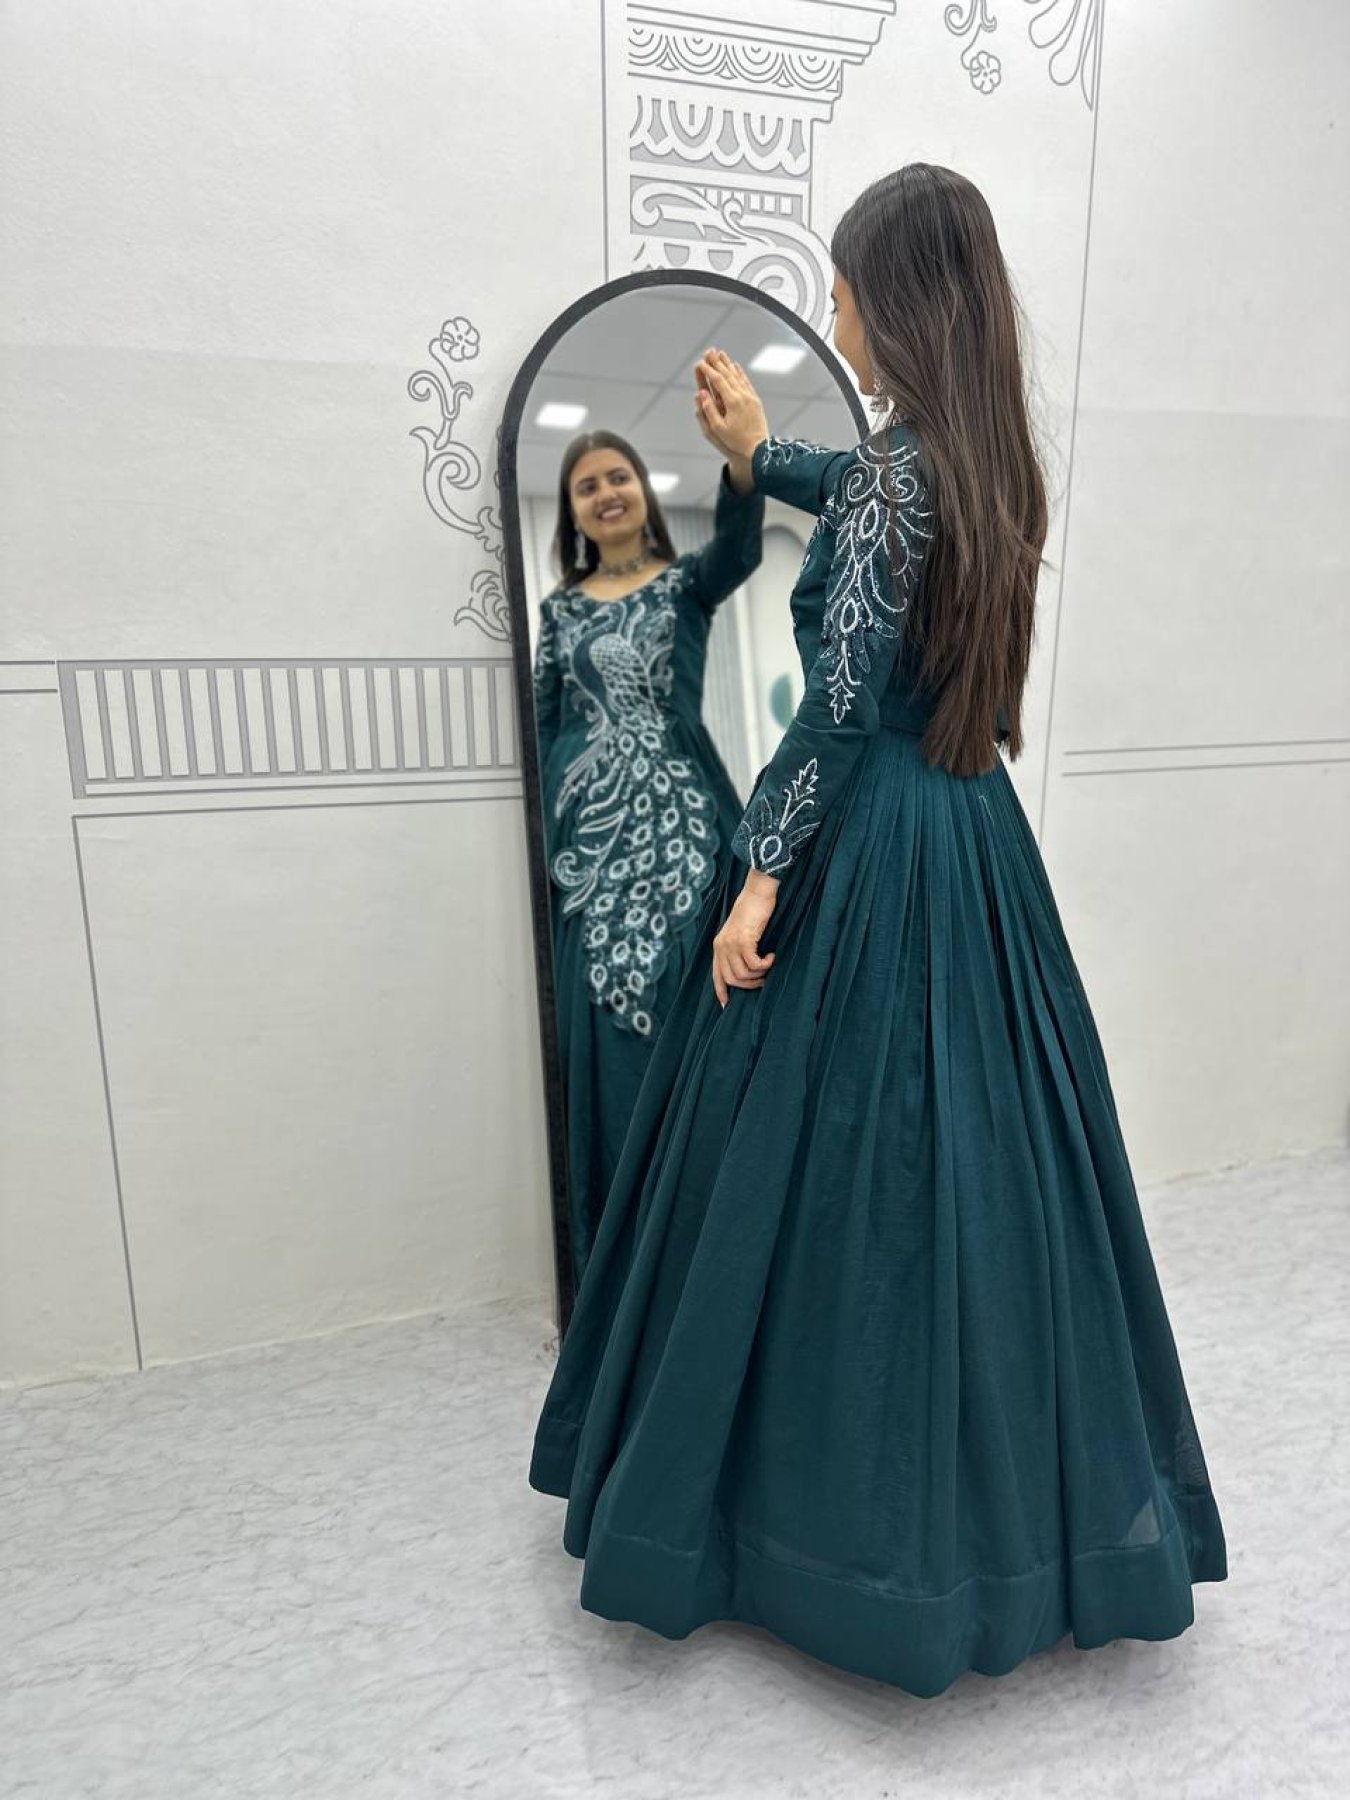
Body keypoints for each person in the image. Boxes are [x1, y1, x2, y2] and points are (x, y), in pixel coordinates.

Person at [529, 166, 1227, 1697]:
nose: (834, 317)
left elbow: (835, 714)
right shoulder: (982, 466)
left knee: (828, 1175)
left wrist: (757, 879)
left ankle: (810, 1532)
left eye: (843, 292)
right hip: (972, 833)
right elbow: (862, 499)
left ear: (889, 302)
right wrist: (755, 454)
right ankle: (1027, 1521)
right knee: (990, 1169)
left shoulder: (897, 478)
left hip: (870, 842)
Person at [533, 430, 764, 1283]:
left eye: (618, 476)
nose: (606, 494)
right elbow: (545, 728)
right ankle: (622, 1271)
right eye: (587, 486)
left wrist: (741, 456)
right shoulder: (559, 613)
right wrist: (556, 831)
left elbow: (741, 548)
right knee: (602, 1039)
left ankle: (711, 1255)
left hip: (685, 833)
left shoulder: (686, 585)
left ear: (643, 489)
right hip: (592, 855)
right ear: (573, 512)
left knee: (697, 1012)